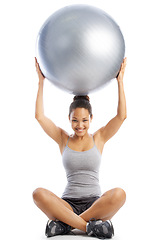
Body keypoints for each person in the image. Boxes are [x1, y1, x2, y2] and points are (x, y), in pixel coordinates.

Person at [33, 57, 127, 239]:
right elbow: (39, 116)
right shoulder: (62, 138)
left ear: (91, 118)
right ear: (69, 119)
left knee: (119, 194)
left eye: (84, 120)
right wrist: (40, 82)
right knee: (38, 194)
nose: (80, 125)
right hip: (67, 204)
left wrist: (120, 82)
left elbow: (121, 116)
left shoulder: (99, 137)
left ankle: (65, 225)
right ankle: (90, 227)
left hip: (95, 204)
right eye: (75, 120)